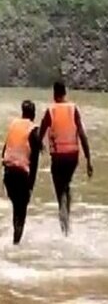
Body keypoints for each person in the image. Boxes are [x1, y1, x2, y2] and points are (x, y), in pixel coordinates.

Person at [38, 80, 93, 235]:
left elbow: (39, 135)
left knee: (59, 189)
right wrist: (88, 160)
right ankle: (66, 218)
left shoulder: (51, 111)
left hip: (58, 158)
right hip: (72, 157)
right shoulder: (73, 109)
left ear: (54, 93)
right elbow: (82, 135)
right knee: (66, 183)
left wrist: (39, 146)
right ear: (65, 92)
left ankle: (64, 222)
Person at [1, 100, 42, 244]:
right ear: (33, 114)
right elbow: (35, 162)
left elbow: (4, 151)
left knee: (16, 208)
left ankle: (15, 238)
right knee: (21, 211)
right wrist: (31, 186)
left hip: (8, 175)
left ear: (22, 112)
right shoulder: (34, 130)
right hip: (21, 175)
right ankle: (16, 244)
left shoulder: (13, 125)